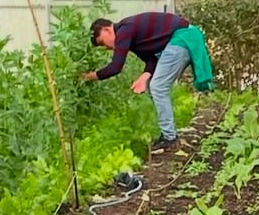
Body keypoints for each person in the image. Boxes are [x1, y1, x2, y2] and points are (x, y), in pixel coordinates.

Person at [83, 11, 196, 150]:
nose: (106, 48)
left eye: (102, 42)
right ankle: (168, 134)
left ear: (107, 30)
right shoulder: (129, 33)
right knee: (153, 85)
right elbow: (152, 59)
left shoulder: (124, 30)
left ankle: (170, 138)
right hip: (180, 39)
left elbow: (115, 67)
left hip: (182, 39)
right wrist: (144, 76)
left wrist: (89, 76)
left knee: (158, 87)